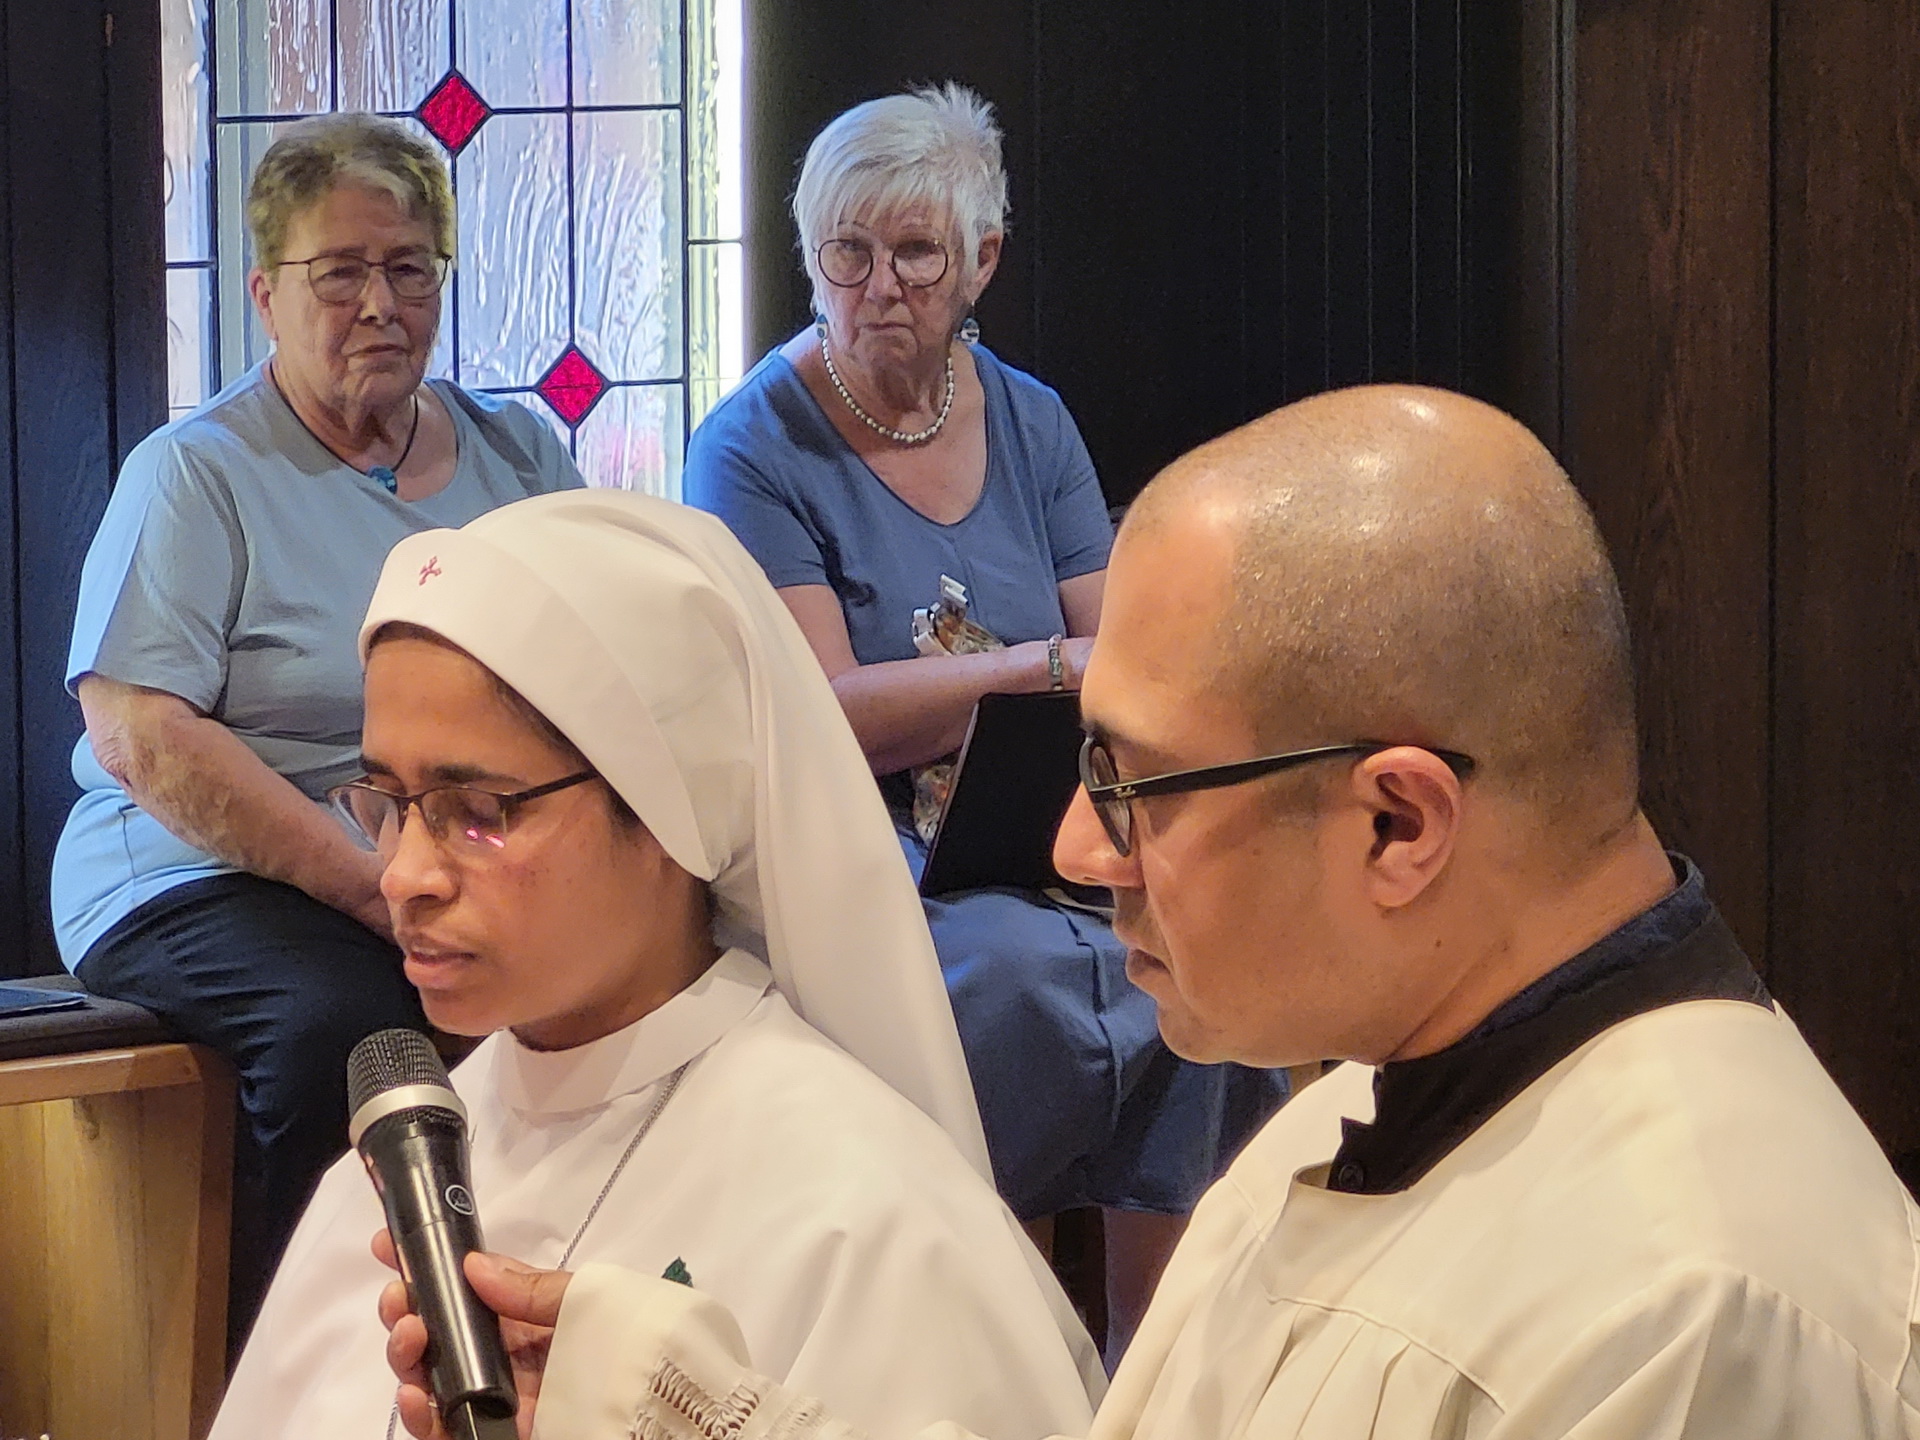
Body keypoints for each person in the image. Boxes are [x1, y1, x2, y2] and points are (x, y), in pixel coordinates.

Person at [387, 386, 1920, 1438]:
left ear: (1399, 821)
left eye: (1128, 784)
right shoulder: (1339, 1125)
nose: (1072, 842)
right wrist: (688, 1413)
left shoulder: (1691, 1306)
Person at [210, 489, 1103, 1440]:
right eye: (386, 799)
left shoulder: (864, 1216)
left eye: (478, 810)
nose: (404, 875)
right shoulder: (397, 1166)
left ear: (670, 810)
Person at [682, 82, 1286, 1349]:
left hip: (1043, 822)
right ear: (809, 256)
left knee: (1205, 955)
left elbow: (1125, 649)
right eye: (846, 253)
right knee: (1005, 981)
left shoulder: (1030, 416)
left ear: (981, 263)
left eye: (915, 253)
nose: (878, 286)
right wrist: (1033, 671)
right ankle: (977, 1356)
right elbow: (829, 713)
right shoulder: (750, 445)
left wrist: (1066, 671)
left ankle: (1158, 1379)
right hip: (867, 854)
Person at [51, 112, 583, 1347]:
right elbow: (143, 733)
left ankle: (570, 1351)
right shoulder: (198, 472)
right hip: (197, 872)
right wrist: (370, 883)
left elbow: (598, 670)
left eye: (409, 269)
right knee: (356, 1038)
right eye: (338, 272)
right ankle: (314, 1383)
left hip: (441, 855)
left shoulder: (521, 452)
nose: (379, 303)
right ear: (264, 293)